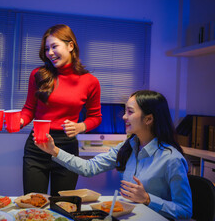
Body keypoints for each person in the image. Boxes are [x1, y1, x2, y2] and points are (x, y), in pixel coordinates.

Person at [35, 90, 192, 220]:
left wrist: (148, 199)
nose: (124, 117)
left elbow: (185, 211)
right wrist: (53, 151)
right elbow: (89, 168)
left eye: (130, 112)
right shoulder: (128, 147)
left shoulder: (172, 159)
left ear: (148, 119)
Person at [20, 24, 102, 196]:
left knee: (63, 206)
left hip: (66, 148)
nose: (50, 53)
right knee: (34, 204)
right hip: (38, 145)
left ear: (70, 45)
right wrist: (19, 121)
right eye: (47, 48)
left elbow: (95, 117)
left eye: (54, 46)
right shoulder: (38, 75)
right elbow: (29, 109)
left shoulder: (90, 81)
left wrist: (81, 126)